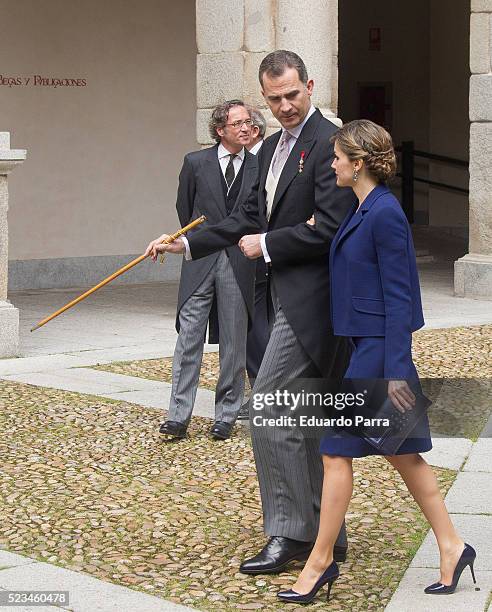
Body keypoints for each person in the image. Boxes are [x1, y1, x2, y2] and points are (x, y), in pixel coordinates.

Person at [148, 50, 355, 573]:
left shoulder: (330, 142)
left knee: (268, 405)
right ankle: (325, 528)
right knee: (301, 413)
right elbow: (243, 216)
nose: (285, 106)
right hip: (275, 296)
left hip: (314, 302)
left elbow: (328, 228)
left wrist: (266, 243)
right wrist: (185, 244)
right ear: (264, 96)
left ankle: (288, 534)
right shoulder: (266, 151)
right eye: (275, 98)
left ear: (310, 86)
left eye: (293, 95)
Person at [277, 119, 476, 604]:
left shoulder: (384, 213)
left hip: (378, 358)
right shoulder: (362, 207)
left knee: (335, 451)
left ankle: (320, 563)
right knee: (405, 456)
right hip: (362, 349)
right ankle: (453, 546)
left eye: (338, 157)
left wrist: (390, 376)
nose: (333, 164)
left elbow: (402, 299)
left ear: (358, 162)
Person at [145, 100, 258, 441]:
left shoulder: (259, 164)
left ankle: (226, 415)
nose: (245, 128)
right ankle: (177, 416)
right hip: (200, 260)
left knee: (234, 342)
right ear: (220, 129)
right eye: (237, 123)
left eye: (248, 123)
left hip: (239, 262)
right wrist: (198, 244)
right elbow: (186, 208)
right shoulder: (195, 163)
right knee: (188, 338)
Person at [237, 107, 271, 420]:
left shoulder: (263, 159)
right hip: (247, 253)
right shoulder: (248, 160)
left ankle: (264, 393)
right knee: (254, 326)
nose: (240, 130)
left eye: (245, 124)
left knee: (258, 327)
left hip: (265, 256)